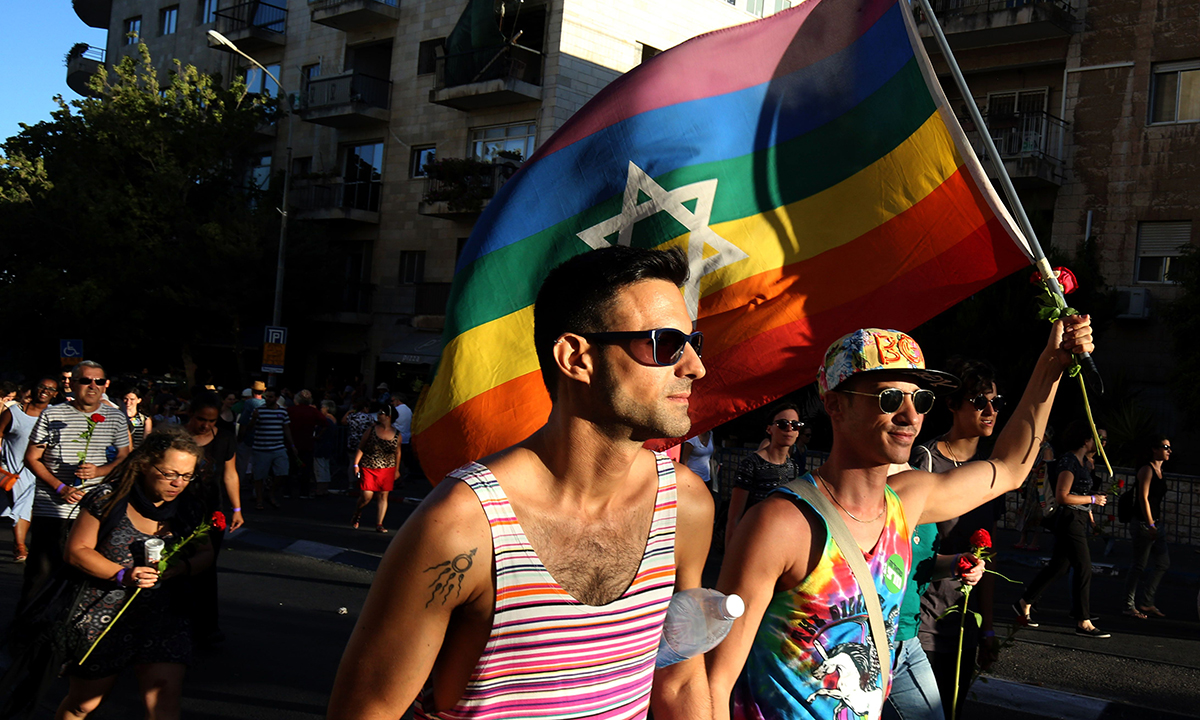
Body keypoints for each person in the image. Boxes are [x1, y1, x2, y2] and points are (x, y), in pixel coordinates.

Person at [328, 246, 713, 719]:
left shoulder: (686, 505)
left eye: (693, 342)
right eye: (664, 344)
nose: (695, 366)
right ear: (576, 358)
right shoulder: (461, 526)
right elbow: (368, 711)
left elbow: (679, 679)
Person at [709, 318, 1093, 720]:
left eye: (920, 400)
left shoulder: (906, 501)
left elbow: (1011, 467)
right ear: (835, 404)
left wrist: (1053, 363)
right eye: (890, 398)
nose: (911, 416)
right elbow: (712, 680)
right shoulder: (781, 524)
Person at [54, 428, 214, 720]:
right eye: (169, 473)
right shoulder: (108, 498)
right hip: (105, 613)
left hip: (165, 615)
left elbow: (205, 554)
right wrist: (123, 575)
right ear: (144, 464)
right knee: (83, 704)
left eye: (187, 476)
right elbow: (76, 551)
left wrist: (180, 568)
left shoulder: (189, 508)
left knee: (164, 699)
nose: (178, 483)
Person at [907, 359, 1002, 719]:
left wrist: (989, 627)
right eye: (980, 401)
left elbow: (990, 556)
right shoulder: (926, 460)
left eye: (995, 402)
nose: (990, 411)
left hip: (965, 626)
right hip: (923, 627)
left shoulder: (991, 472)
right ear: (952, 405)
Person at [21, 360, 132, 612]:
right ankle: (24, 632)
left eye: (99, 381)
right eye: (85, 380)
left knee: (80, 574)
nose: (92, 386)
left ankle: (65, 632)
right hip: (52, 508)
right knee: (41, 573)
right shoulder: (53, 414)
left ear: (106, 385)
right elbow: (32, 457)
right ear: (72, 384)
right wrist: (60, 487)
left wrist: (99, 470)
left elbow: (126, 457)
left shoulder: (114, 417)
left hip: (93, 510)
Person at [1014, 419, 1109, 638]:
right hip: (1069, 518)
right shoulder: (1069, 461)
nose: (1098, 442)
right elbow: (1062, 496)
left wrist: (1092, 516)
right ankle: (1082, 620)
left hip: (1079, 517)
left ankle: (1024, 602)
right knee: (1083, 566)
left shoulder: (1082, 461)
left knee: (1059, 566)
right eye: (1095, 438)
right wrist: (1093, 499)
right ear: (1086, 440)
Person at [183, 392, 243, 647]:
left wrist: (237, 509)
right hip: (176, 510)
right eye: (200, 419)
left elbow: (230, 474)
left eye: (211, 420)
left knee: (205, 568)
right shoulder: (176, 438)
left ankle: (206, 626)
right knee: (174, 566)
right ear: (190, 414)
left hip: (210, 511)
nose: (205, 425)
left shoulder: (225, 440)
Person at [726, 404, 802, 549]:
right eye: (782, 424)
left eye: (796, 425)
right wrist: (730, 556)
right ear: (769, 429)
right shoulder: (751, 464)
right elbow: (734, 518)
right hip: (751, 544)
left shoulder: (793, 467)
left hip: (780, 545)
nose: (789, 429)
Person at [0, 377, 57, 563]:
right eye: (42, 386)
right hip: (13, 467)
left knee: (26, 505)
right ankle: (20, 545)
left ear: (55, 394)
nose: (45, 391)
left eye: (50, 389)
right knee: (22, 503)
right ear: (34, 388)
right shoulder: (14, 412)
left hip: (40, 467)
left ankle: (22, 544)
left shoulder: (54, 415)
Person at [1123, 434, 1172, 619]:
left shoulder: (1160, 471)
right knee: (1138, 565)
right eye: (1165, 447)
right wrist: (1150, 523)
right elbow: (1143, 498)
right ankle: (1128, 605)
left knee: (1163, 563)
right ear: (1154, 449)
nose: (1169, 451)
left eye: (1169, 447)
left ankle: (1147, 602)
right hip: (1144, 524)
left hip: (1155, 525)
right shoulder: (1147, 470)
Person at [351, 404, 402, 533]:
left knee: (383, 496)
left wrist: (397, 469)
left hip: (387, 468)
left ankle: (379, 523)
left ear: (388, 416)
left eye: (381, 413)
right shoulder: (372, 430)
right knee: (366, 496)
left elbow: (398, 452)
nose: (379, 415)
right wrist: (356, 464)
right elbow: (361, 447)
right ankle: (357, 512)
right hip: (369, 466)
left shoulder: (397, 434)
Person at [246, 388, 295, 510]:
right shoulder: (258, 411)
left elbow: (286, 428)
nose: (267, 399)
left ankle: (271, 493)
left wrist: (292, 445)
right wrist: (253, 419)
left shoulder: (283, 412)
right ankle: (259, 499)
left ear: (277, 398)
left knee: (283, 472)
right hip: (261, 448)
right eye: (266, 397)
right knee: (259, 476)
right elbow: (249, 428)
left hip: (278, 447)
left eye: (270, 397)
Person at [1016, 425, 1054, 551]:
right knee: (1026, 511)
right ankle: (1023, 540)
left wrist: (1033, 470)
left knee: (1037, 514)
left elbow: (1045, 467)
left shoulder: (1046, 449)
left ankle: (1033, 542)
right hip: (1032, 483)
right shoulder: (1037, 448)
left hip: (1040, 484)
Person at [286, 390, 325, 499]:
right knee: (306, 469)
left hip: (291, 442)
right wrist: (318, 435)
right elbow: (325, 423)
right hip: (307, 442)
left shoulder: (290, 410)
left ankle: (287, 491)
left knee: (290, 468)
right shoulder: (312, 411)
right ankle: (304, 491)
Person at [313, 400, 339, 496]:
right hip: (329, 445)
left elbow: (322, 429)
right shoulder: (333, 419)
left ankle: (320, 489)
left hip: (322, 445)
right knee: (325, 467)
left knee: (320, 468)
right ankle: (324, 488)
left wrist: (318, 436)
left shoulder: (326, 420)